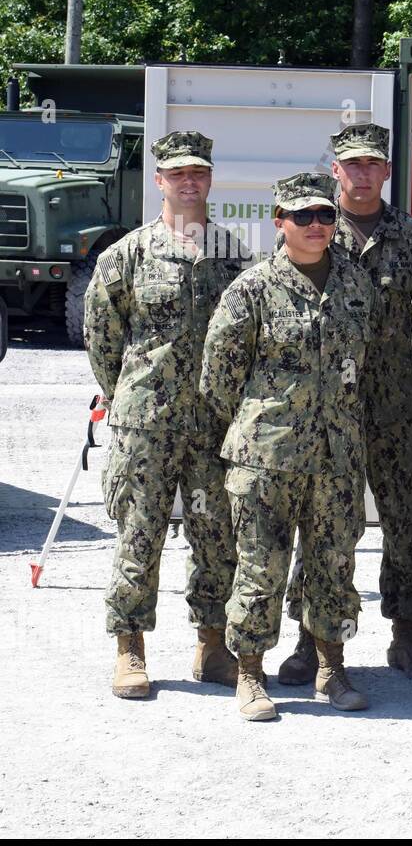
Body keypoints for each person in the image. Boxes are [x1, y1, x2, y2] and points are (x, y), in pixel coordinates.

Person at [201, 172, 375, 721]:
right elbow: (218, 376)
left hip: (338, 456)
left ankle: (331, 667)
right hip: (266, 457)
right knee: (261, 566)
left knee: (334, 564)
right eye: (303, 216)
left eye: (326, 215)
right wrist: (265, 421)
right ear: (280, 222)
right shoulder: (251, 289)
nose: (317, 225)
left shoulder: (355, 285)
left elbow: (362, 366)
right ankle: (250, 674)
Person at [276, 123, 412, 687]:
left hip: (400, 407)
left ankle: (406, 635)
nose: (363, 173)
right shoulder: (312, 230)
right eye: (352, 164)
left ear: (387, 171)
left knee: (402, 523)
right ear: (336, 170)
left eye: (373, 163)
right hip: (328, 409)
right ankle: (310, 637)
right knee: (323, 525)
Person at [84, 130, 246, 699]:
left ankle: (212, 644)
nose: (189, 181)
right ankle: (130, 648)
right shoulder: (125, 256)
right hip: (144, 427)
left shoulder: (233, 255)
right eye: (178, 173)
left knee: (216, 536)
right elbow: (103, 342)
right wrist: (131, 395)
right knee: (139, 533)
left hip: (213, 426)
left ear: (209, 179)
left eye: (198, 172)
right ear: (160, 181)